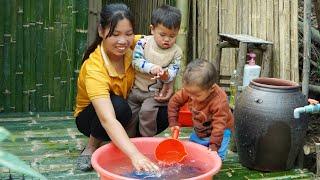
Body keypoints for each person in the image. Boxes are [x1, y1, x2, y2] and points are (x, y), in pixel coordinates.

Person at [74, 3, 171, 172]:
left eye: (128, 34)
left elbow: (164, 43)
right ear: (101, 31)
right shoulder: (94, 67)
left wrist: (168, 82)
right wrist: (135, 156)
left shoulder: (136, 44)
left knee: (165, 109)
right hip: (91, 118)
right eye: (115, 34)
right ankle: (91, 147)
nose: (123, 41)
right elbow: (108, 119)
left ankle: (128, 142)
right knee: (119, 108)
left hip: (129, 106)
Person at [127, 5, 182, 137]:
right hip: (135, 90)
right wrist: (151, 68)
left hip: (155, 95)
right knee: (130, 115)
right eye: (162, 35)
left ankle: (146, 140)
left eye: (172, 36)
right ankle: (128, 140)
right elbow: (135, 62)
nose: (167, 40)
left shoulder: (176, 52)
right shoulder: (143, 43)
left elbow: (173, 71)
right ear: (152, 29)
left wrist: (165, 75)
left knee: (147, 113)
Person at [167, 59, 235, 160]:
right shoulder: (192, 90)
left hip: (220, 132)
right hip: (200, 130)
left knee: (215, 157)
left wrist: (214, 146)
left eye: (196, 95)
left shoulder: (219, 101)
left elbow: (219, 126)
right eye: (188, 93)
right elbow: (174, 102)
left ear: (211, 89)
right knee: (192, 154)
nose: (191, 97)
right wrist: (173, 122)